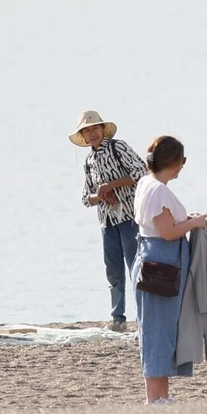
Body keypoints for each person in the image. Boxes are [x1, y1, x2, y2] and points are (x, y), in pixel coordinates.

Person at [134, 136, 207, 404]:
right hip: (161, 264)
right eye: (182, 162)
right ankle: (154, 399)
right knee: (157, 332)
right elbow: (166, 232)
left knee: (161, 330)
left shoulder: (148, 183)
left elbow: (162, 225)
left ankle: (160, 396)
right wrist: (195, 223)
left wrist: (185, 221)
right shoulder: (158, 190)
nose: (182, 167)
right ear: (174, 162)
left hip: (157, 260)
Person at [75, 110, 148, 332]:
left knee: (136, 268)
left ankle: (144, 317)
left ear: (102, 130)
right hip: (107, 222)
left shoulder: (119, 148)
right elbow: (86, 198)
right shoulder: (88, 161)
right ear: (84, 137)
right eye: (87, 131)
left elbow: (142, 171)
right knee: (113, 272)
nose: (92, 133)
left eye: (95, 128)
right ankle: (118, 318)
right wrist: (100, 195)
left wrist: (113, 185)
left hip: (129, 217)